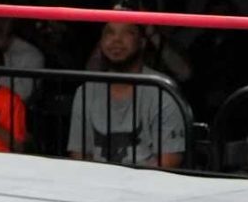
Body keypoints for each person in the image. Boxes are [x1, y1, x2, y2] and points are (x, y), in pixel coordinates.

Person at [65, 18, 189, 171]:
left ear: (142, 42)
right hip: (97, 181)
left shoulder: (163, 90)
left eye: (127, 33)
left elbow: (169, 161)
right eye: (110, 33)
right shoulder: (86, 91)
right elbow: (79, 155)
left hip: (148, 182)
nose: (116, 40)